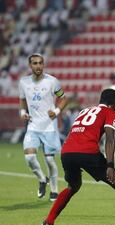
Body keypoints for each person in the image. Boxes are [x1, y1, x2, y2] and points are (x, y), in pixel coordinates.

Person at [41, 89, 115, 225]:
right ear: (114, 104)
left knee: (72, 186)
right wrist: (110, 165)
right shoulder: (110, 112)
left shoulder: (84, 111)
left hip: (67, 152)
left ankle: (49, 221)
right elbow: (110, 138)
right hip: (87, 151)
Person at [19, 53, 68, 201]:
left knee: (50, 161)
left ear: (43, 64)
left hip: (49, 127)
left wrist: (57, 111)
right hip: (33, 125)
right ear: (30, 65)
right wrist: (22, 112)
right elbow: (22, 100)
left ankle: (54, 190)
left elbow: (64, 98)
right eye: (35, 63)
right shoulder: (23, 82)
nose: (38, 66)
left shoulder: (52, 81)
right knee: (30, 157)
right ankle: (42, 179)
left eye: (40, 63)